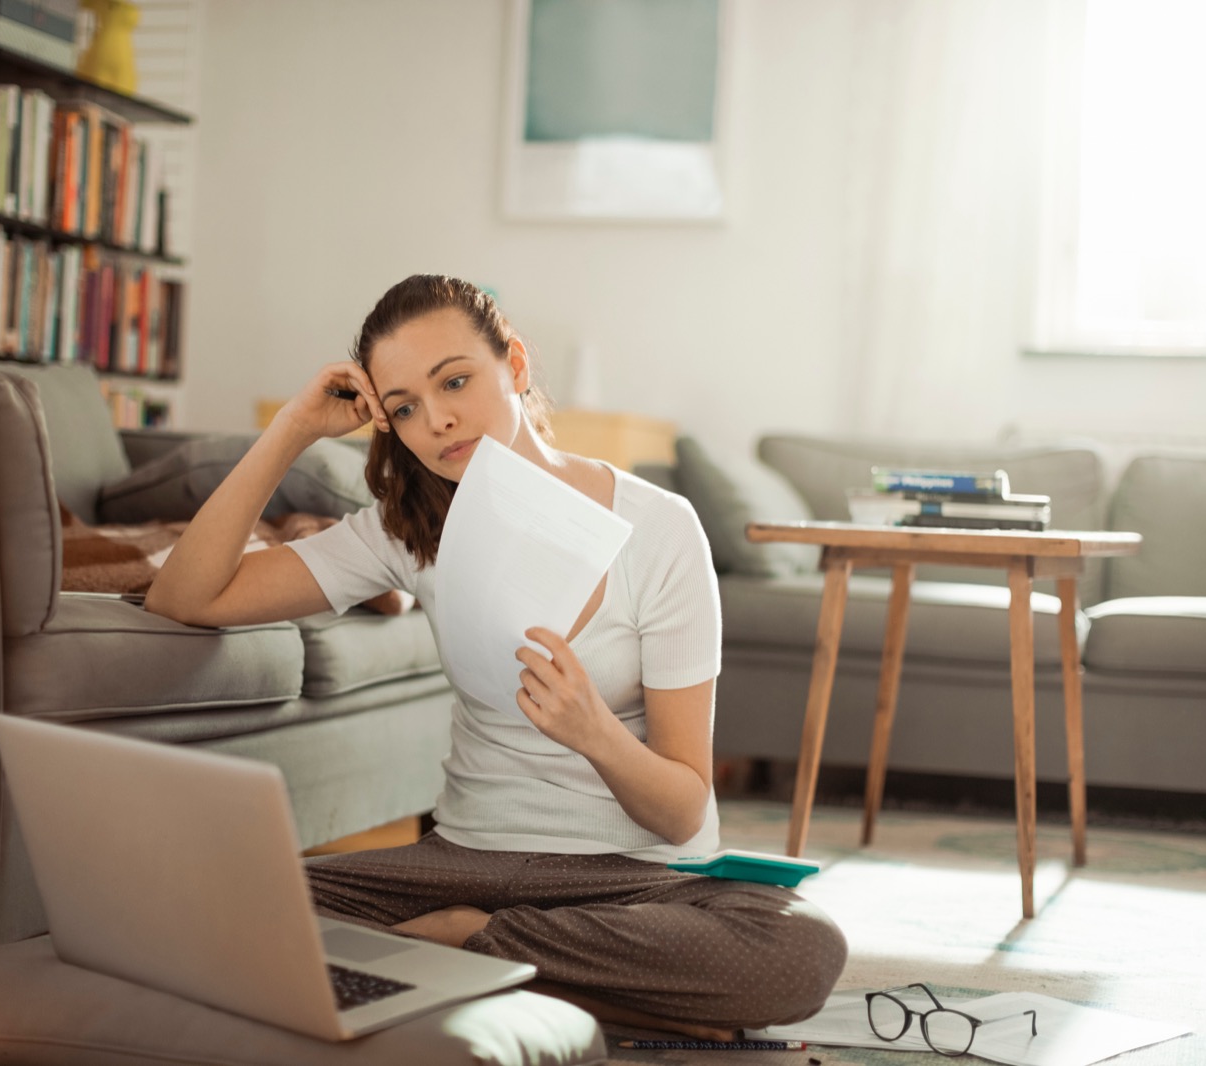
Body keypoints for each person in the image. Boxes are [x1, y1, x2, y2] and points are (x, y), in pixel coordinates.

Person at [144, 274, 847, 1038]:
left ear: (513, 365)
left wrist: (594, 733)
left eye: (456, 381)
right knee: (208, 905)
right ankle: (557, 983)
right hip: (464, 858)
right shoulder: (406, 527)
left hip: (634, 883)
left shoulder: (661, 528)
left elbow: (680, 813)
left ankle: (467, 949)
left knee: (798, 948)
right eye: (405, 407)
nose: (438, 420)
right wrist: (291, 430)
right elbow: (186, 597)